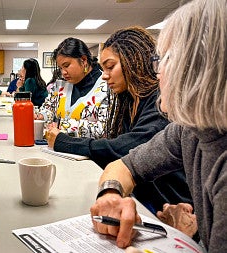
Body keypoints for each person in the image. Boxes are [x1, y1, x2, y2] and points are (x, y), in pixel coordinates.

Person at [90, 0, 226, 252]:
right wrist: (110, 194)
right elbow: (124, 166)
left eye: (164, 59)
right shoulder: (188, 130)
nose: (158, 72)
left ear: (203, 66)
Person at [47, 27, 191, 215]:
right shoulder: (127, 100)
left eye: (110, 67)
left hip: (170, 206)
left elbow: (123, 149)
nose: (104, 75)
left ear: (133, 62)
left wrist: (64, 142)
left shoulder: (160, 103)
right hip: (141, 198)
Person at [36, 37, 108, 139]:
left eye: (66, 65)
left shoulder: (106, 87)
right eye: (61, 68)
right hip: (56, 149)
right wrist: (41, 116)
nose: (63, 72)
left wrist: (64, 126)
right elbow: (48, 109)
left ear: (83, 60)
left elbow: (104, 129)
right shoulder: (60, 85)